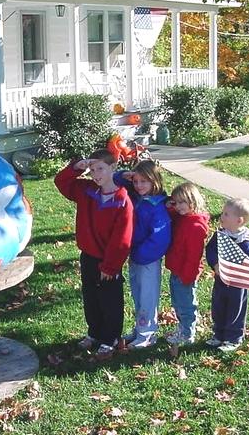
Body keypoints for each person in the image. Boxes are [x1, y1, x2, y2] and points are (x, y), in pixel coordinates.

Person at [54, 149, 134, 358]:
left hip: (108, 262)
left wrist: (110, 266)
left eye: (100, 169)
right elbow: (61, 182)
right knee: (91, 298)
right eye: (92, 170)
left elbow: (122, 239)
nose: (96, 174)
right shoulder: (87, 190)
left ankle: (110, 338)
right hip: (88, 256)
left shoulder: (122, 200)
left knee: (110, 301)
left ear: (113, 167)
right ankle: (95, 333)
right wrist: (76, 168)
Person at [113, 160, 171, 348]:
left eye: (143, 181)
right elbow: (115, 179)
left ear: (155, 181)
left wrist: (139, 254)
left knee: (147, 296)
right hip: (135, 257)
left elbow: (159, 239)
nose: (138, 185)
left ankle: (147, 334)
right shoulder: (138, 197)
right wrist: (125, 175)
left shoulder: (157, 207)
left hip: (148, 260)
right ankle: (140, 328)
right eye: (136, 181)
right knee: (138, 294)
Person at [205, 198, 249, 352]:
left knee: (235, 309)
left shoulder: (246, 242)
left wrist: (238, 272)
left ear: (239, 221)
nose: (222, 216)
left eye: (226, 214)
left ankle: (233, 337)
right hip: (221, 280)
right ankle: (218, 334)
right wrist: (215, 264)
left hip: (237, 284)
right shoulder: (220, 234)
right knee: (218, 306)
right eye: (223, 213)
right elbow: (211, 249)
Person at [164, 182, 210, 346]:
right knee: (178, 303)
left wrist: (188, 276)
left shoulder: (196, 226)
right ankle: (182, 328)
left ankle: (187, 334)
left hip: (185, 274)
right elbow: (173, 214)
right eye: (176, 203)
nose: (179, 207)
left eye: (183, 202)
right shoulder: (183, 218)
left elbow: (194, 256)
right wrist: (170, 205)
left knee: (186, 306)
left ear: (193, 201)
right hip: (176, 270)